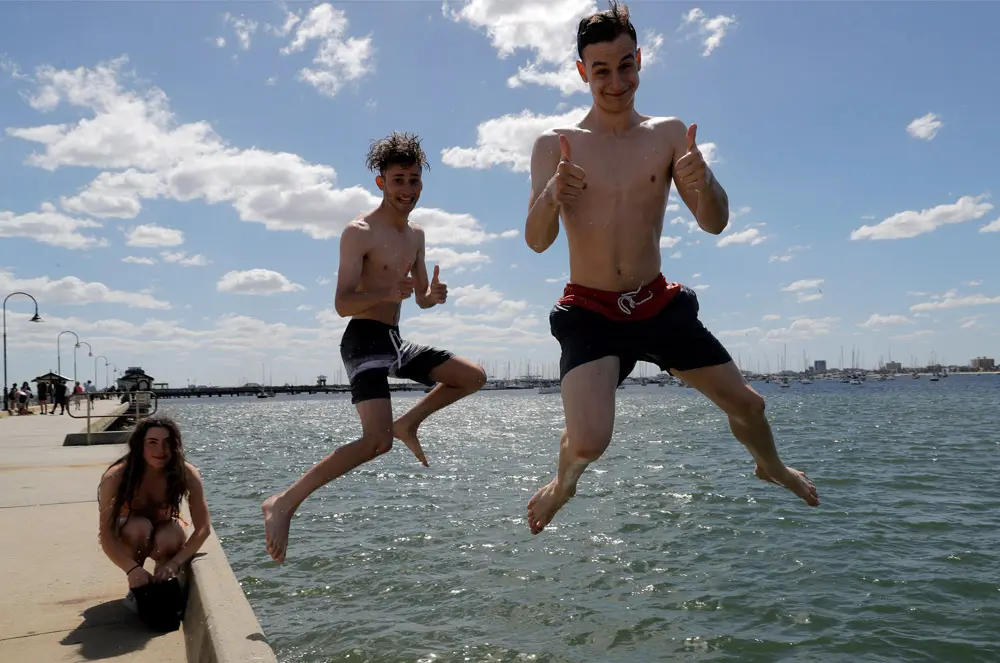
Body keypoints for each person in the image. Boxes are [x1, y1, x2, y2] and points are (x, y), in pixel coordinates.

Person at [523, 1, 819, 535]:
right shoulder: (555, 145)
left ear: (640, 60)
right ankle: (564, 483)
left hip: (656, 303)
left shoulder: (666, 134)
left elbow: (715, 223)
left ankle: (769, 465)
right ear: (581, 72)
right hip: (590, 311)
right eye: (601, 71)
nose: (617, 82)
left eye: (626, 66)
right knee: (589, 440)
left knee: (750, 406)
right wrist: (550, 195)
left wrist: (706, 182)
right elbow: (537, 241)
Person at [262, 132, 488, 563]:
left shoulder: (416, 235)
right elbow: (342, 302)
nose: (408, 190)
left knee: (473, 376)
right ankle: (284, 502)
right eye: (399, 179)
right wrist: (389, 294)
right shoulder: (359, 232)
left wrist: (432, 295)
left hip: (394, 341)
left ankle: (409, 424)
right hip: (363, 341)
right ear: (381, 182)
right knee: (374, 443)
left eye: (415, 180)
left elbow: (417, 297)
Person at [97, 416, 212, 608]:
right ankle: (137, 583)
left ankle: (162, 580)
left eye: (167, 442)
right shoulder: (116, 476)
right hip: (131, 535)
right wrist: (131, 569)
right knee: (140, 527)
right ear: (139, 445)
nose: (160, 450)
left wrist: (174, 563)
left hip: (164, 531)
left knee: (169, 536)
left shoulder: (186, 473)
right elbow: (106, 534)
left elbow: (203, 529)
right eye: (152, 442)